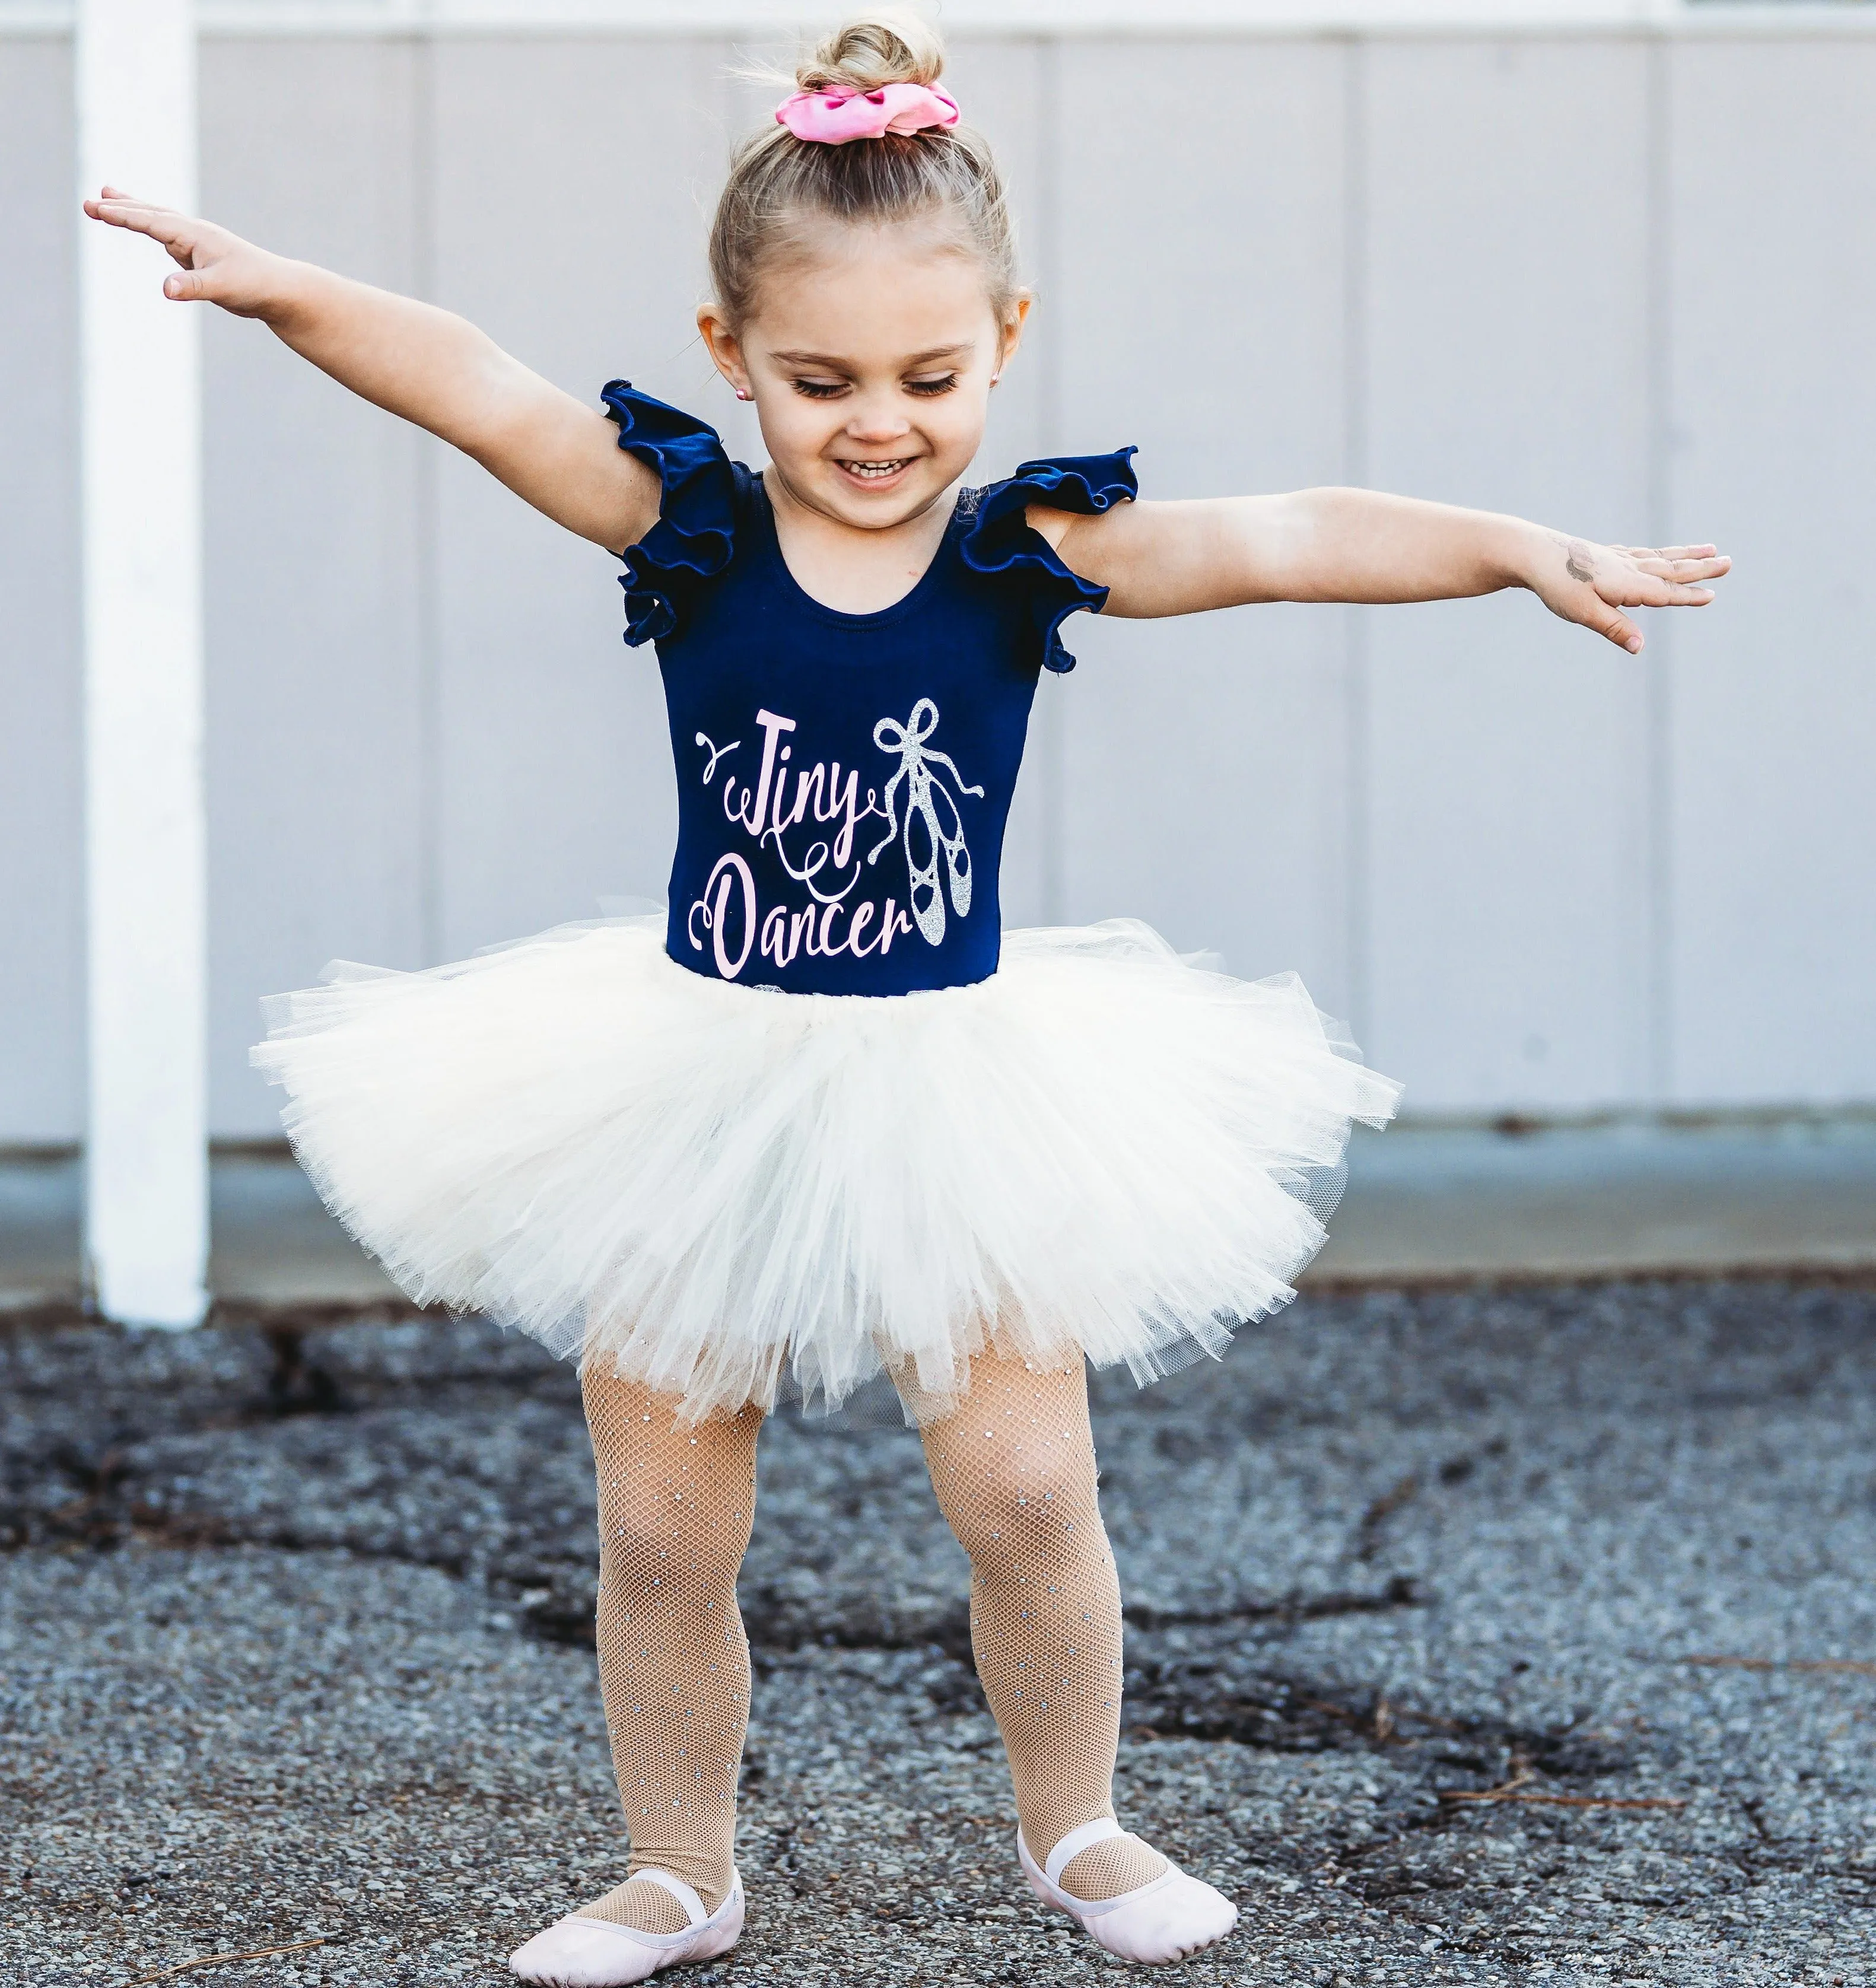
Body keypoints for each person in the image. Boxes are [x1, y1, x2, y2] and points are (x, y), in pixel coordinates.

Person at [85, 11, 1727, 1981]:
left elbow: (1288, 536)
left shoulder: (1017, 553)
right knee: (670, 1525)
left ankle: (1088, 1827)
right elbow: (480, 388)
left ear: (1006, 341)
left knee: (1030, 1490)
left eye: (934, 377)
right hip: (693, 1076)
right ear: (729, 356)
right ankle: (679, 1869)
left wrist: (1511, 548)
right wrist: (288, 293)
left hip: (958, 1078)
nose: (882, 421)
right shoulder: (687, 525)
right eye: (821, 377)